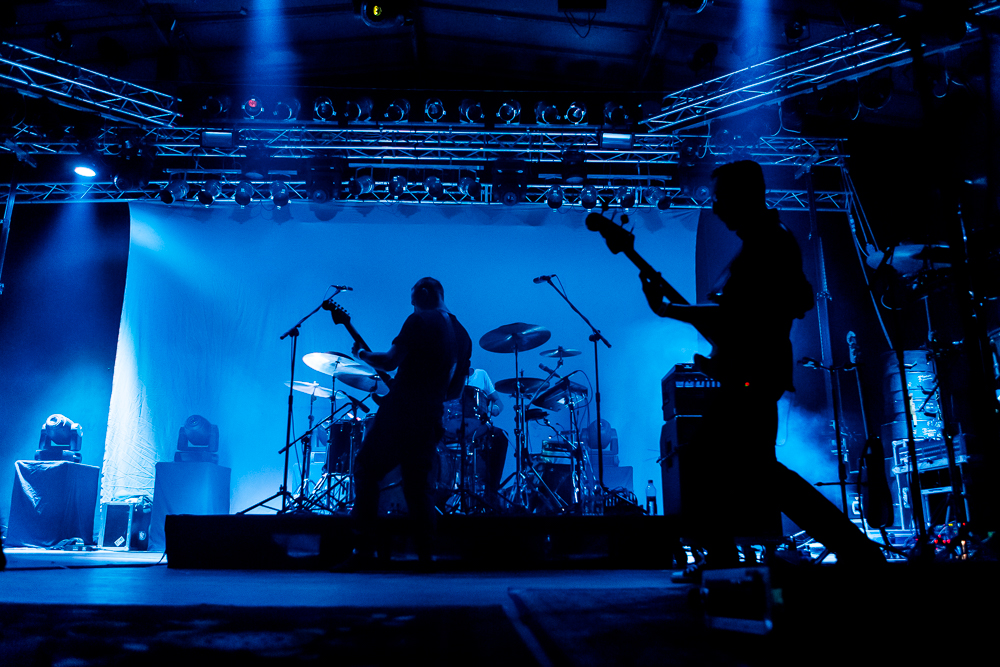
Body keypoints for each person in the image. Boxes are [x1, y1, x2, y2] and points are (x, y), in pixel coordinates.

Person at [641, 160, 883, 577]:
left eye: (721, 199)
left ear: (745, 196)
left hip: (753, 375)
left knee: (722, 463)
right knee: (747, 469)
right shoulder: (765, 241)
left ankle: (848, 549)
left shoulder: (768, 244)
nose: (715, 208)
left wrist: (669, 310)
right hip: (755, 372)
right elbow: (748, 315)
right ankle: (852, 549)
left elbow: (740, 316)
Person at [345, 277, 472, 569]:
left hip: (401, 414)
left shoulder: (419, 321)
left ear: (423, 294)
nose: (413, 307)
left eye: (413, 301)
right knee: (418, 486)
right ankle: (427, 557)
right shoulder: (463, 335)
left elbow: (389, 361)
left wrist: (361, 354)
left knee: (366, 469)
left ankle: (363, 551)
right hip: (431, 415)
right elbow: (455, 391)